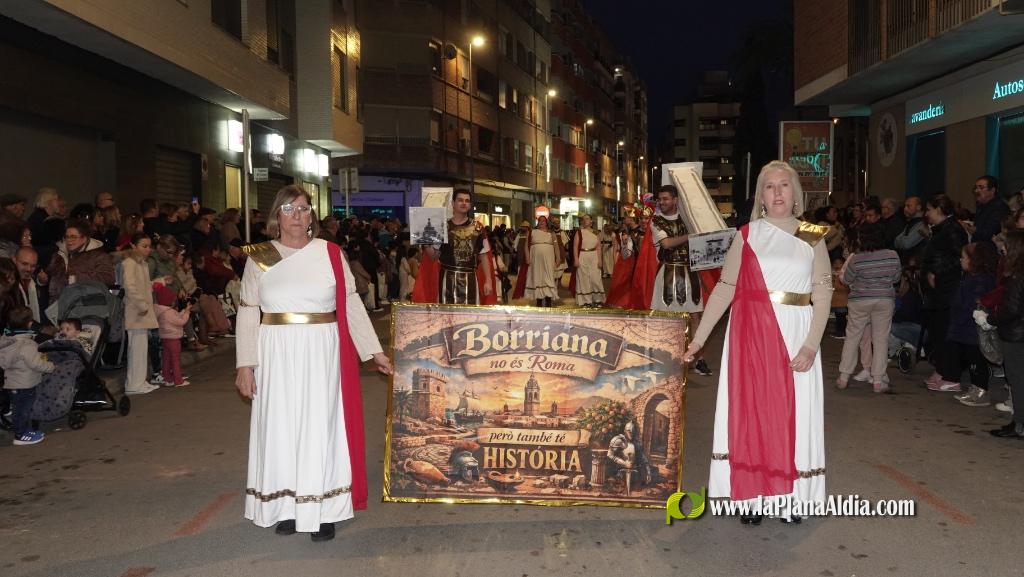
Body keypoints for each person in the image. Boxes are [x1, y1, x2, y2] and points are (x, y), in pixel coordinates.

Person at [234, 185, 393, 541]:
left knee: (320, 427)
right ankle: (288, 506)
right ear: (277, 216)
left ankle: (322, 509)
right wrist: (246, 364)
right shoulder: (262, 255)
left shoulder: (330, 253)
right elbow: (247, 311)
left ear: (312, 217)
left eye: (304, 209)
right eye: (289, 208)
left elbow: (351, 305)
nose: (297, 215)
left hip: (322, 351)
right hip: (274, 351)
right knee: (281, 426)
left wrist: (375, 351)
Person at [684, 160, 832, 524]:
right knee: (751, 414)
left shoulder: (812, 235)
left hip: (795, 333)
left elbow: (823, 291)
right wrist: (698, 339)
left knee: (792, 416)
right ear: (761, 196)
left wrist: (812, 344)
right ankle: (752, 497)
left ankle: (792, 498)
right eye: (770, 186)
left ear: (795, 193)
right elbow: (725, 289)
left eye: (784, 185)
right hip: (749, 338)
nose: (778, 192)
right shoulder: (747, 235)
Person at [646, 184, 710, 376]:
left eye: (666, 199)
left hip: (690, 272)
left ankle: (698, 359)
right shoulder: (656, 221)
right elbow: (667, 243)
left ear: (675, 200)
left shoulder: (688, 218)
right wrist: (691, 235)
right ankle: (667, 358)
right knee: (668, 318)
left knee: (695, 316)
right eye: (660, 199)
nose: (662, 202)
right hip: (668, 274)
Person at [924, 243, 998, 401]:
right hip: (964, 327)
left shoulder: (980, 280)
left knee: (976, 361)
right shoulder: (971, 277)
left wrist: (959, 320)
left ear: (974, 260)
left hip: (971, 328)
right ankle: (975, 388)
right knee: (971, 359)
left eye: (964, 257)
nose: (960, 259)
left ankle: (980, 391)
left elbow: (972, 304)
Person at [836, 223, 902, 392]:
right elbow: (896, 278)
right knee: (880, 339)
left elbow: (846, 280)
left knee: (853, 337)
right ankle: (878, 381)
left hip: (860, 301)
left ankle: (844, 377)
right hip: (884, 300)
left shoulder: (857, 258)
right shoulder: (893, 255)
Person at [921, 195, 969, 388]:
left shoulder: (953, 230)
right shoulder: (940, 229)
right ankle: (942, 369)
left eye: (929, 210)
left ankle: (951, 375)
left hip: (947, 288)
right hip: (937, 291)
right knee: (937, 332)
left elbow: (959, 257)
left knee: (946, 331)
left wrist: (935, 272)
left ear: (939, 209)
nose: (926, 214)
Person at [986, 230, 1024, 439]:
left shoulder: (1017, 276)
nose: (1003, 249)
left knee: (1017, 380)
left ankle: (1020, 423)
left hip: (1016, 335)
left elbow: (1011, 309)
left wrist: (991, 318)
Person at [0, 306, 55, 445]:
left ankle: (22, 430)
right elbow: (36, 364)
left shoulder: (7, 340)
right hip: (25, 384)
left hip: (12, 382)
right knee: (23, 410)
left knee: (18, 408)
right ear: (30, 323)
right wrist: (50, 366)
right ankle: (21, 435)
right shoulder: (26, 344)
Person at [122, 233, 160, 395]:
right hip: (136, 311)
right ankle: (133, 384)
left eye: (149, 246)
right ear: (133, 246)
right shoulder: (129, 263)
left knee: (141, 349)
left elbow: (143, 285)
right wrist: (142, 304)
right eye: (144, 246)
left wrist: (160, 282)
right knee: (136, 349)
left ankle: (140, 381)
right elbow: (129, 286)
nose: (148, 249)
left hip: (142, 311)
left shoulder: (141, 263)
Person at [43, 220, 115, 302]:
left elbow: (108, 278)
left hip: (85, 307)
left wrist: (76, 277)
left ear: (84, 238)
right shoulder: (59, 255)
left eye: (73, 237)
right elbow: (51, 278)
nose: (69, 240)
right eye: (67, 236)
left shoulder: (99, 257)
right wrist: (42, 280)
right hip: (58, 307)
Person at [153, 283, 192, 387]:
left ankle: (167, 379)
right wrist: (187, 313)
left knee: (165, 359)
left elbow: (176, 318)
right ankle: (178, 380)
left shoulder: (161, 310)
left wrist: (184, 310)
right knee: (175, 360)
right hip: (173, 339)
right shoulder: (169, 312)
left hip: (165, 338)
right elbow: (181, 321)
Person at [521, 216, 561, 307]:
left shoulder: (551, 233)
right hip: (535, 260)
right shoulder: (531, 232)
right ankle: (539, 300)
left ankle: (548, 300)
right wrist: (527, 257)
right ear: (537, 222)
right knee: (537, 277)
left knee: (548, 277)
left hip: (549, 259)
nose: (542, 222)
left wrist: (558, 258)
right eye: (540, 221)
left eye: (543, 221)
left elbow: (556, 246)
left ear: (546, 222)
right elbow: (526, 246)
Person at [572, 214, 605, 307]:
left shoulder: (596, 232)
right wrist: (576, 259)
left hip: (594, 255)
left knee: (596, 278)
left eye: (587, 219)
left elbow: (599, 247)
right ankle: (586, 301)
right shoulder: (579, 232)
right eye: (583, 219)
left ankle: (597, 299)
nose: (585, 220)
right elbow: (575, 246)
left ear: (591, 221)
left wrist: (600, 260)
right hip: (583, 255)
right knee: (584, 279)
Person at [970, 175, 1009, 246]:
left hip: (990, 250)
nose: (976, 191)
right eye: (976, 187)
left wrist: (971, 229)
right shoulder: (981, 205)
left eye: (981, 187)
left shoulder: (1000, 208)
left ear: (992, 190)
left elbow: (989, 233)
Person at [894, 196, 928, 263]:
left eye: (908, 206)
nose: (905, 209)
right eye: (905, 206)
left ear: (918, 207)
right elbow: (895, 242)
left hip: (916, 265)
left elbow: (906, 244)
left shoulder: (923, 224)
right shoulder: (910, 222)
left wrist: (901, 241)